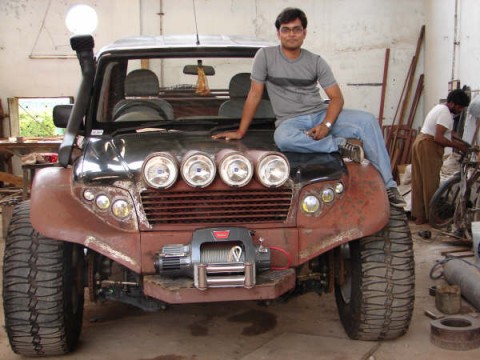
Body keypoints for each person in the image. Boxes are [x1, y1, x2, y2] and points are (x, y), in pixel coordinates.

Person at [212, 7, 406, 208]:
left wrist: (326, 124)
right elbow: (254, 94)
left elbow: (336, 98)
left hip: (320, 113)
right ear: (278, 33)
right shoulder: (265, 57)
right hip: (291, 121)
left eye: (296, 29)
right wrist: (241, 131)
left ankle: (389, 186)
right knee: (283, 138)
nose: (291, 34)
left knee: (367, 121)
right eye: (286, 30)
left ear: (304, 33)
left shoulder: (316, 61)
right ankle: (339, 145)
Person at [411, 89, 471, 225]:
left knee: (419, 181)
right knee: (431, 181)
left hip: (420, 142)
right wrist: (458, 147)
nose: (461, 111)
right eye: (460, 107)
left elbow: (448, 132)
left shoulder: (439, 108)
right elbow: (438, 137)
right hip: (428, 145)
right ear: (453, 104)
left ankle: (420, 216)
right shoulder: (446, 114)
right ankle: (433, 216)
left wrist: (459, 140)